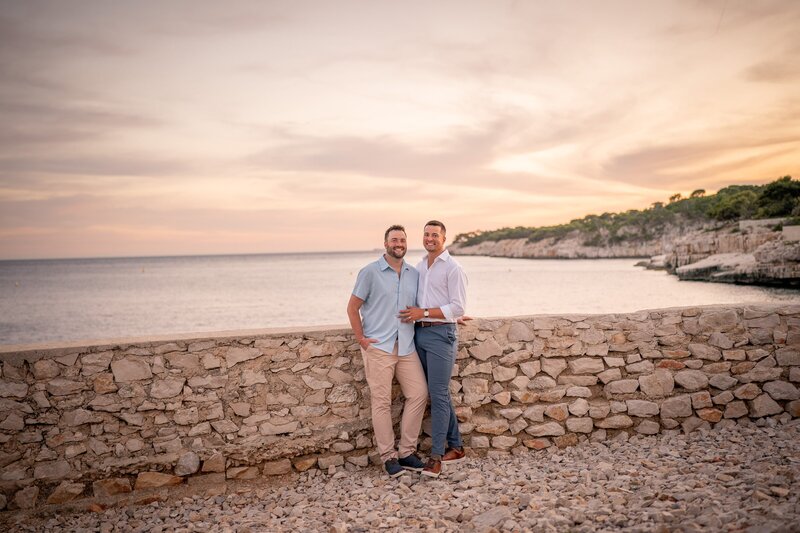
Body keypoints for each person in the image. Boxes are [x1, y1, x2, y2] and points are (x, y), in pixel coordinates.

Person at [346, 225, 429, 477]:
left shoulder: (413, 274)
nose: (399, 244)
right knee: (381, 402)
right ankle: (389, 457)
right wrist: (361, 339)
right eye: (394, 240)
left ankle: (406, 451)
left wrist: (451, 316)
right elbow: (352, 308)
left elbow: (422, 306)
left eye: (402, 240)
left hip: (405, 345)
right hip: (379, 347)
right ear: (386, 244)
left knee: (418, 394)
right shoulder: (370, 272)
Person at [399, 220, 467, 478]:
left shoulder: (453, 268)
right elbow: (434, 302)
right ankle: (457, 446)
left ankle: (436, 456)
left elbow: (457, 306)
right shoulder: (420, 268)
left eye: (435, 235)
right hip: (420, 334)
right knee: (439, 393)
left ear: (444, 238)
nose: (430, 238)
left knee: (437, 394)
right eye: (426, 234)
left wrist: (430, 313)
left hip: (440, 335)